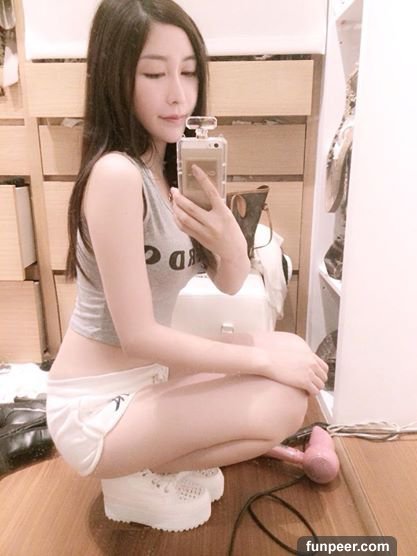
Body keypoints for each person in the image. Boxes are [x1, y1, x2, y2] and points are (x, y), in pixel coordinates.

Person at [46, 0, 328, 532]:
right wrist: (260, 365)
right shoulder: (117, 176)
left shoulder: (171, 167)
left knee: (294, 352)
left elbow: (229, 283)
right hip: (97, 407)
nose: (178, 94)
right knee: (284, 400)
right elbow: (138, 335)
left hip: (145, 377)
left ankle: (150, 455)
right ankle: (134, 469)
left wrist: (231, 243)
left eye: (189, 72)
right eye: (155, 74)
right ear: (115, 77)